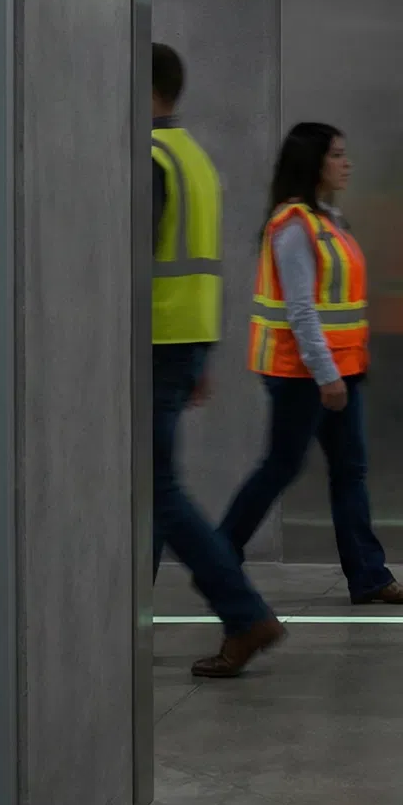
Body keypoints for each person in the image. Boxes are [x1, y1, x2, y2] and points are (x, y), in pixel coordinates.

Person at [218, 122, 403, 606]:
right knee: (281, 466)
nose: (345, 162)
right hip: (302, 373)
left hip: (339, 371)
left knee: (349, 470)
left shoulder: (329, 220)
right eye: (336, 154)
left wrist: (342, 371)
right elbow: (301, 309)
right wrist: (326, 373)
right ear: (313, 162)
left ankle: (369, 576)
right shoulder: (294, 226)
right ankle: (220, 550)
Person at [149, 44, 284, 678]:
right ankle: (125, 617)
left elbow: (131, 260)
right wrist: (201, 351)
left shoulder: (150, 158)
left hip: (151, 340)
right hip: (184, 338)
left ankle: (242, 612)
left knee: (157, 491)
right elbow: (204, 262)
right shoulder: (194, 158)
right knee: (147, 490)